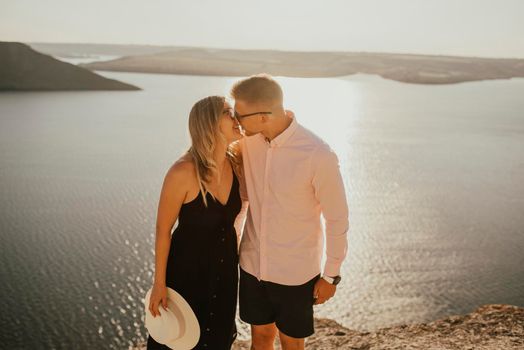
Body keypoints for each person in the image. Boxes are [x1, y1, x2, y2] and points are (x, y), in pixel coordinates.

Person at [230, 74, 350, 350]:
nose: (237, 122)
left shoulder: (317, 154)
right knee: (259, 339)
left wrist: (331, 275)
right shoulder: (248, 143)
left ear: (263, 116)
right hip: (252, 266)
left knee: (292, 343)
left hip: (295, 273)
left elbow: (337, 217)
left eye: (240, 115)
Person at [146, 95, 243, 350]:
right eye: (228, 112)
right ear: (209, 123)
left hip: (224, 272)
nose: (237, 118)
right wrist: (159, 285)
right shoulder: (183, 171)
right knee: (178, 340)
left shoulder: (236, 164)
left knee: (217, 340)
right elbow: (162, 230)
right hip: (186, 274)